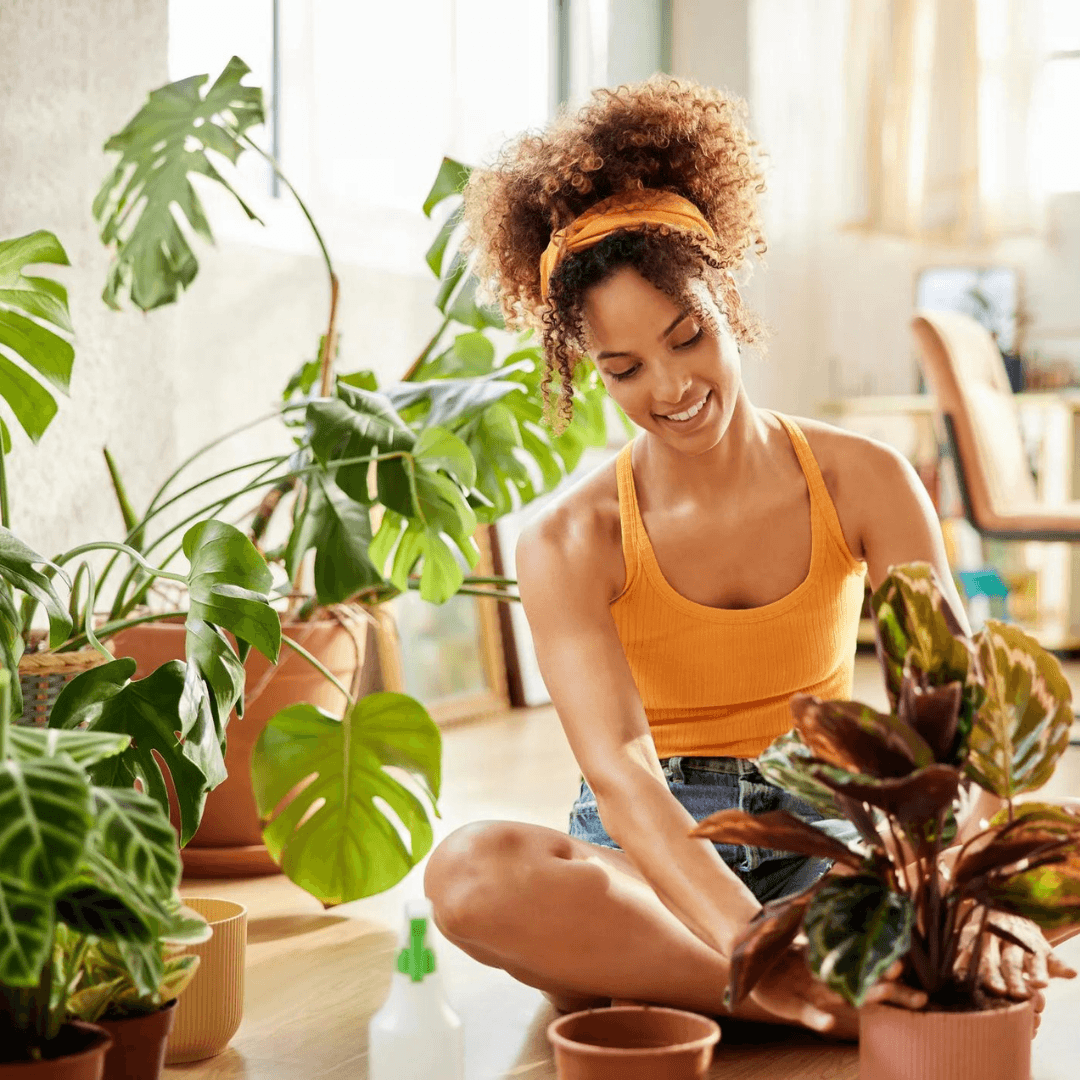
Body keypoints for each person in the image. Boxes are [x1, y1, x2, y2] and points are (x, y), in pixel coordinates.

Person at [422, 74, 1066, 1039]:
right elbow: (627, 778)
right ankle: (827, 1000)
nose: (672, 386)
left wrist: (966, 887)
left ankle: (673, 988)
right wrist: (755, 953)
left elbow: (947, 714)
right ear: (583, 367)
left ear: (726, 294)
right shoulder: (567, 538)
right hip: (649, 859)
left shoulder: (866, 480)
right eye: (624, 368)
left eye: (688, 337)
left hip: (825, 833)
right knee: (473, 874)